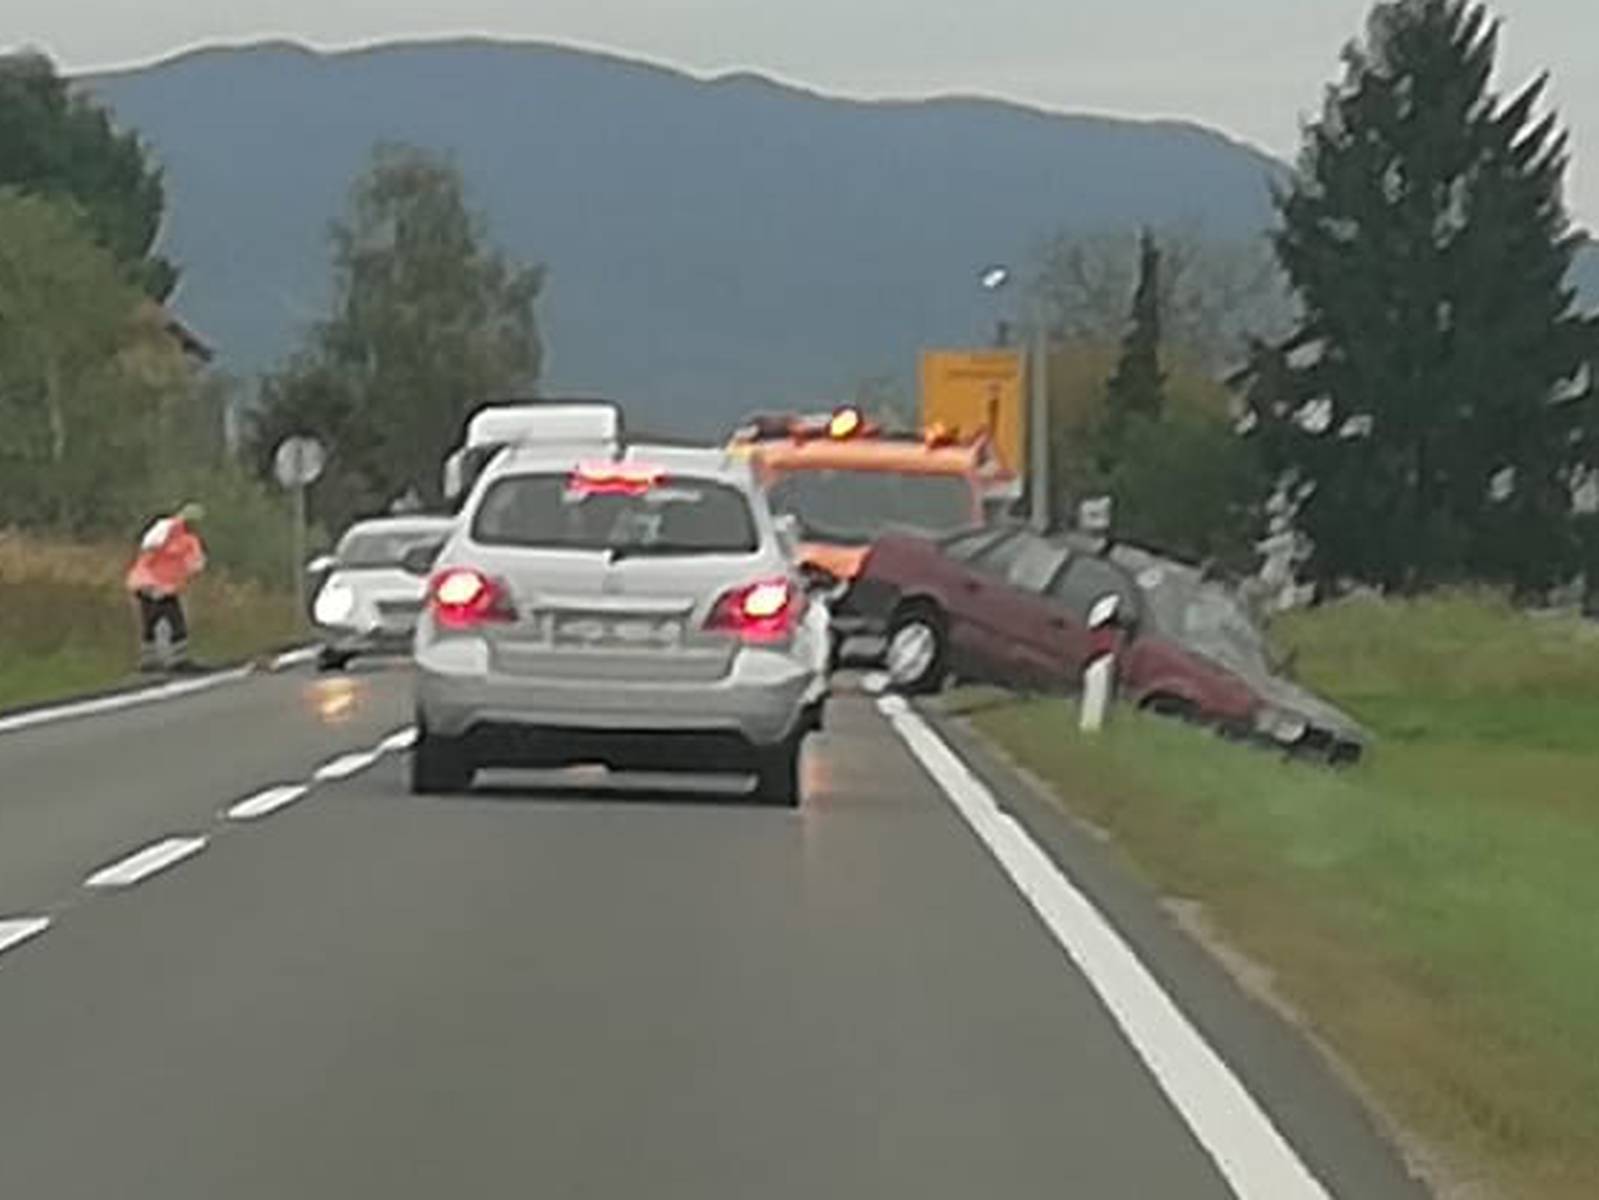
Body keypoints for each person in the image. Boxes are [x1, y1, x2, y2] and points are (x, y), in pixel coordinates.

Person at [125, 502, 208, 673]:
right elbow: (194, 564)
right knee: (175, 622)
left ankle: (149, 660)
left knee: (150, 622)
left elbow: (147, 552)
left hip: (146, 583)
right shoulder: (180, 536)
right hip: (160, 585)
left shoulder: (166, 533)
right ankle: (178, 660)